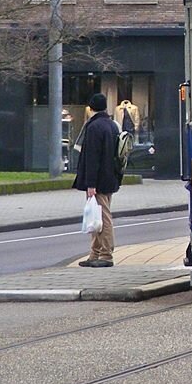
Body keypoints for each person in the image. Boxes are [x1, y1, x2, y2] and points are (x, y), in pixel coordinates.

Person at [72, 93, 120, 267]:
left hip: (98, 180)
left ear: (91, 108)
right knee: (96, 216)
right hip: (110, 178)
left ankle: (105, 255)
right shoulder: (112, 125)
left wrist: (91, 183)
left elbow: (92, 157)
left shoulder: (93, 127)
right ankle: (95, 254)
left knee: (102, 218)